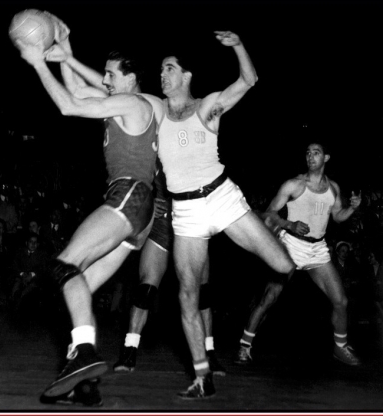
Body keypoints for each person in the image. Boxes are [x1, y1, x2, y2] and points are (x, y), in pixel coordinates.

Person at [15, 15, 164, 401]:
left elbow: (68, 105)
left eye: (112, 74)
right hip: (140, 214)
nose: (106, 79)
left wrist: (37, 63)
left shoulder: (132, 102)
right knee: (77, 289)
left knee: (63, 265)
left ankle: (83, 354)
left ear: (131, 79)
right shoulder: (135, 103)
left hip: (129, 197)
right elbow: (83, 93)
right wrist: (65, 55)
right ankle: (83, 381)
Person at [157, 32, 296, 399]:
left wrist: (237, 45)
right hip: (185, 212)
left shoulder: (207, 107)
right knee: (187, 296)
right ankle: (203, 377)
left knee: (284, 266)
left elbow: (249, 81)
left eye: (169, 69)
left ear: (186, 76)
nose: (163, 75)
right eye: (161, 69)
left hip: (222, 199)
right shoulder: (157, 113)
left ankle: (266, 224)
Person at [236, 142, 362, 366]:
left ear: (326, 158)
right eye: (308, 153)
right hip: (291, 246)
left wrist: (352, 208)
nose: (310, 156)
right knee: (269, 297)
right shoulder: (294, 184)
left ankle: (340, 348)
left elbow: (338, 216)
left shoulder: (333, 188)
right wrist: (289, 224)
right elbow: (268, 214)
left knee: (341, 301)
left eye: (316, 153)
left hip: (317, 249)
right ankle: (245, 346)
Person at [113, 160, 226, 376]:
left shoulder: (198, 146)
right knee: (145, 290)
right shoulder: (156, 148)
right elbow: (137, 179)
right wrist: (150, 202)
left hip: (191, 223)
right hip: (163, 225)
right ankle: (129, 351)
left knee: (202, 293)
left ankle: (209, 353)